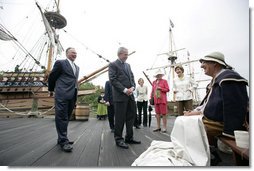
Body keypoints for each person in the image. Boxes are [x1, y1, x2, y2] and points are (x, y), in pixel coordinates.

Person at [183, 52, 249, 147]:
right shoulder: (218, 79)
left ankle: (200, 153)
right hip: (215, 119)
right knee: (183, 120)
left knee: (186, 123)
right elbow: (208, 104)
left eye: (204, 62)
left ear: (215, 63)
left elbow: (234, 107)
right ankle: (207, 150)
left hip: (221, 123)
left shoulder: (229, 79)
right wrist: (195, 110)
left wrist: (199, 113)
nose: (201, 66)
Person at [108, 47, 141, 149]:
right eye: (125, 54)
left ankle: (129, 137)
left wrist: (133, 87)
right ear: (119, 54)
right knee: (120, 119)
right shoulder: (113, 65)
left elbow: (132, 78)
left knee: (131, 117)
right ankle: (119, 139)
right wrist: (125, 90)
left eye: (127, 54)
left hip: (130, 96)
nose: (127, 56)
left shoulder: (128, 65)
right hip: (120, 96)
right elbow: (113, 80)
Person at [48, 47, 79, 152]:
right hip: (62, 94)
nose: (74, 54)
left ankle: (61, 138)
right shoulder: (60, 63)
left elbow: (74, 81)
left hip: (72, 95)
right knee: (61, 117)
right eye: (72, 52)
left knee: (66, 117)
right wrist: (51, 90)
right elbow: (52, 76)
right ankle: (63, 141)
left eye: (75, 53)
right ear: (67, 54)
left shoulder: (77, 67)